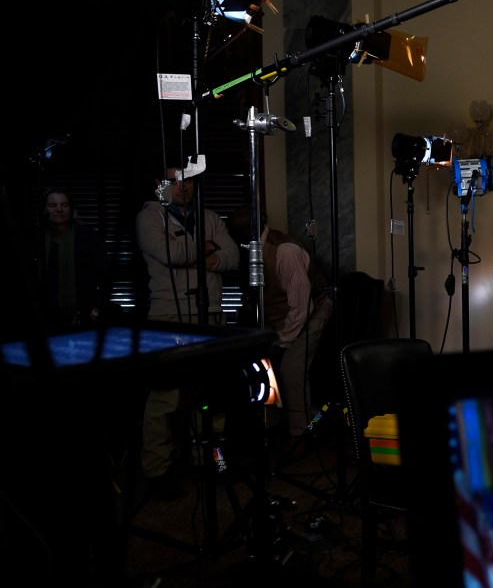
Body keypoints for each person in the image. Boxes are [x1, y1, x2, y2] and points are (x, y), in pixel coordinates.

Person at [134, 158, 240, 498]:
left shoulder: (209, 217)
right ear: (159, 184)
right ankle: (157, 470)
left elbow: (233, 258)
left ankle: (211, 462)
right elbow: (170, 254)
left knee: (213, 398)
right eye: (176, 181)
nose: (184, 187)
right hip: (169, 317)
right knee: (166, 398)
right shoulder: (148, 217)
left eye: (189, 181)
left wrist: (193, 253)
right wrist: (206, 249)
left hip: (210, 315)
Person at [227, 205, 334, 437]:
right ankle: (270, 424)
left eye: (245, 229)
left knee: (292, 368)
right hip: (278, 318)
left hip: (312, 310)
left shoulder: (285, 251)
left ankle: (301, 431)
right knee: (257, 365)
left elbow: (302, 309)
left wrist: (282, 343)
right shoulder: (245, 251)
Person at [35, 187, 109, 331]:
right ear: (44, 209)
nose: (59, 210)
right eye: (53, 205)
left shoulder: (88, 236)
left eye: (64, 205)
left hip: (83, 315)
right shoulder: (37, 240)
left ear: (71, 208)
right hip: (47, 316)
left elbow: (105, 275)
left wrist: (96, 309)